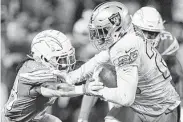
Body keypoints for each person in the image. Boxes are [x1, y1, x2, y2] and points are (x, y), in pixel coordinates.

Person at [54, 2, 181, 122]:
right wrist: (71, 77)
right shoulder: (125, 43)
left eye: (152, 33)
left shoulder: (159, 44)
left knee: (104, 74)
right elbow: (97, 62)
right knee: (102, 72)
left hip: (161, 108)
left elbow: (126, 98)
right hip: (138, 100)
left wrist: (92, 90)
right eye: (143, 31)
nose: (147, 37)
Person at [3, 30, 86, 122]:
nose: (66, 64)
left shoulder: (47, 68)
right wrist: (85, 88)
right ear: (43, 58)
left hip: (35, 117)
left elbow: (77, 69)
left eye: (67, 58)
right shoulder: (32, 70)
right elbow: (57, 88)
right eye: (60, 59)